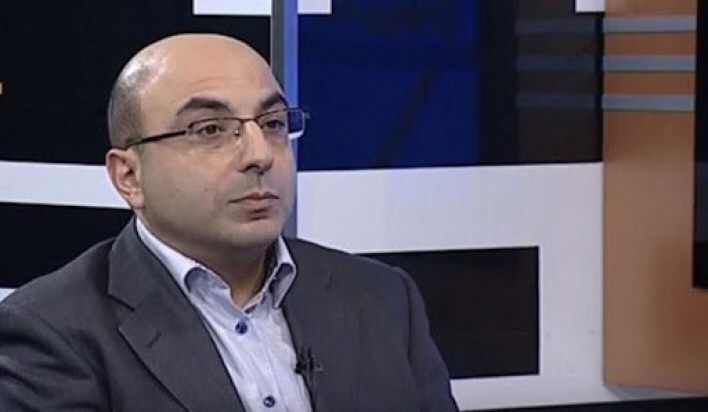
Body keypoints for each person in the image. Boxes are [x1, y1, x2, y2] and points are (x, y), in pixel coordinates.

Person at [0, 33, 458, 411]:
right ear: (130, 177)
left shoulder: (383, 298)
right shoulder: (51, 333)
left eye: (273, 123)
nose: (260, 155)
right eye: (210, 130)